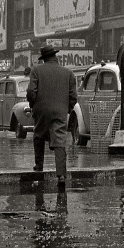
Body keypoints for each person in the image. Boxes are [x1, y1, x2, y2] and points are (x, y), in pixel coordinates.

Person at [26, 45, 77, 187]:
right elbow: (73, 96)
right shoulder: (68, 73)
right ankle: (61, 175)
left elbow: (31, 92)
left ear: (44, 58)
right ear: (55, 57)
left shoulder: (36, 70)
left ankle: (39, 167)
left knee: (39, 135)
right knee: (60, 140)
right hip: (60, 111)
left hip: (41, 109)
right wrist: (67, 109)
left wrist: (33, 104)